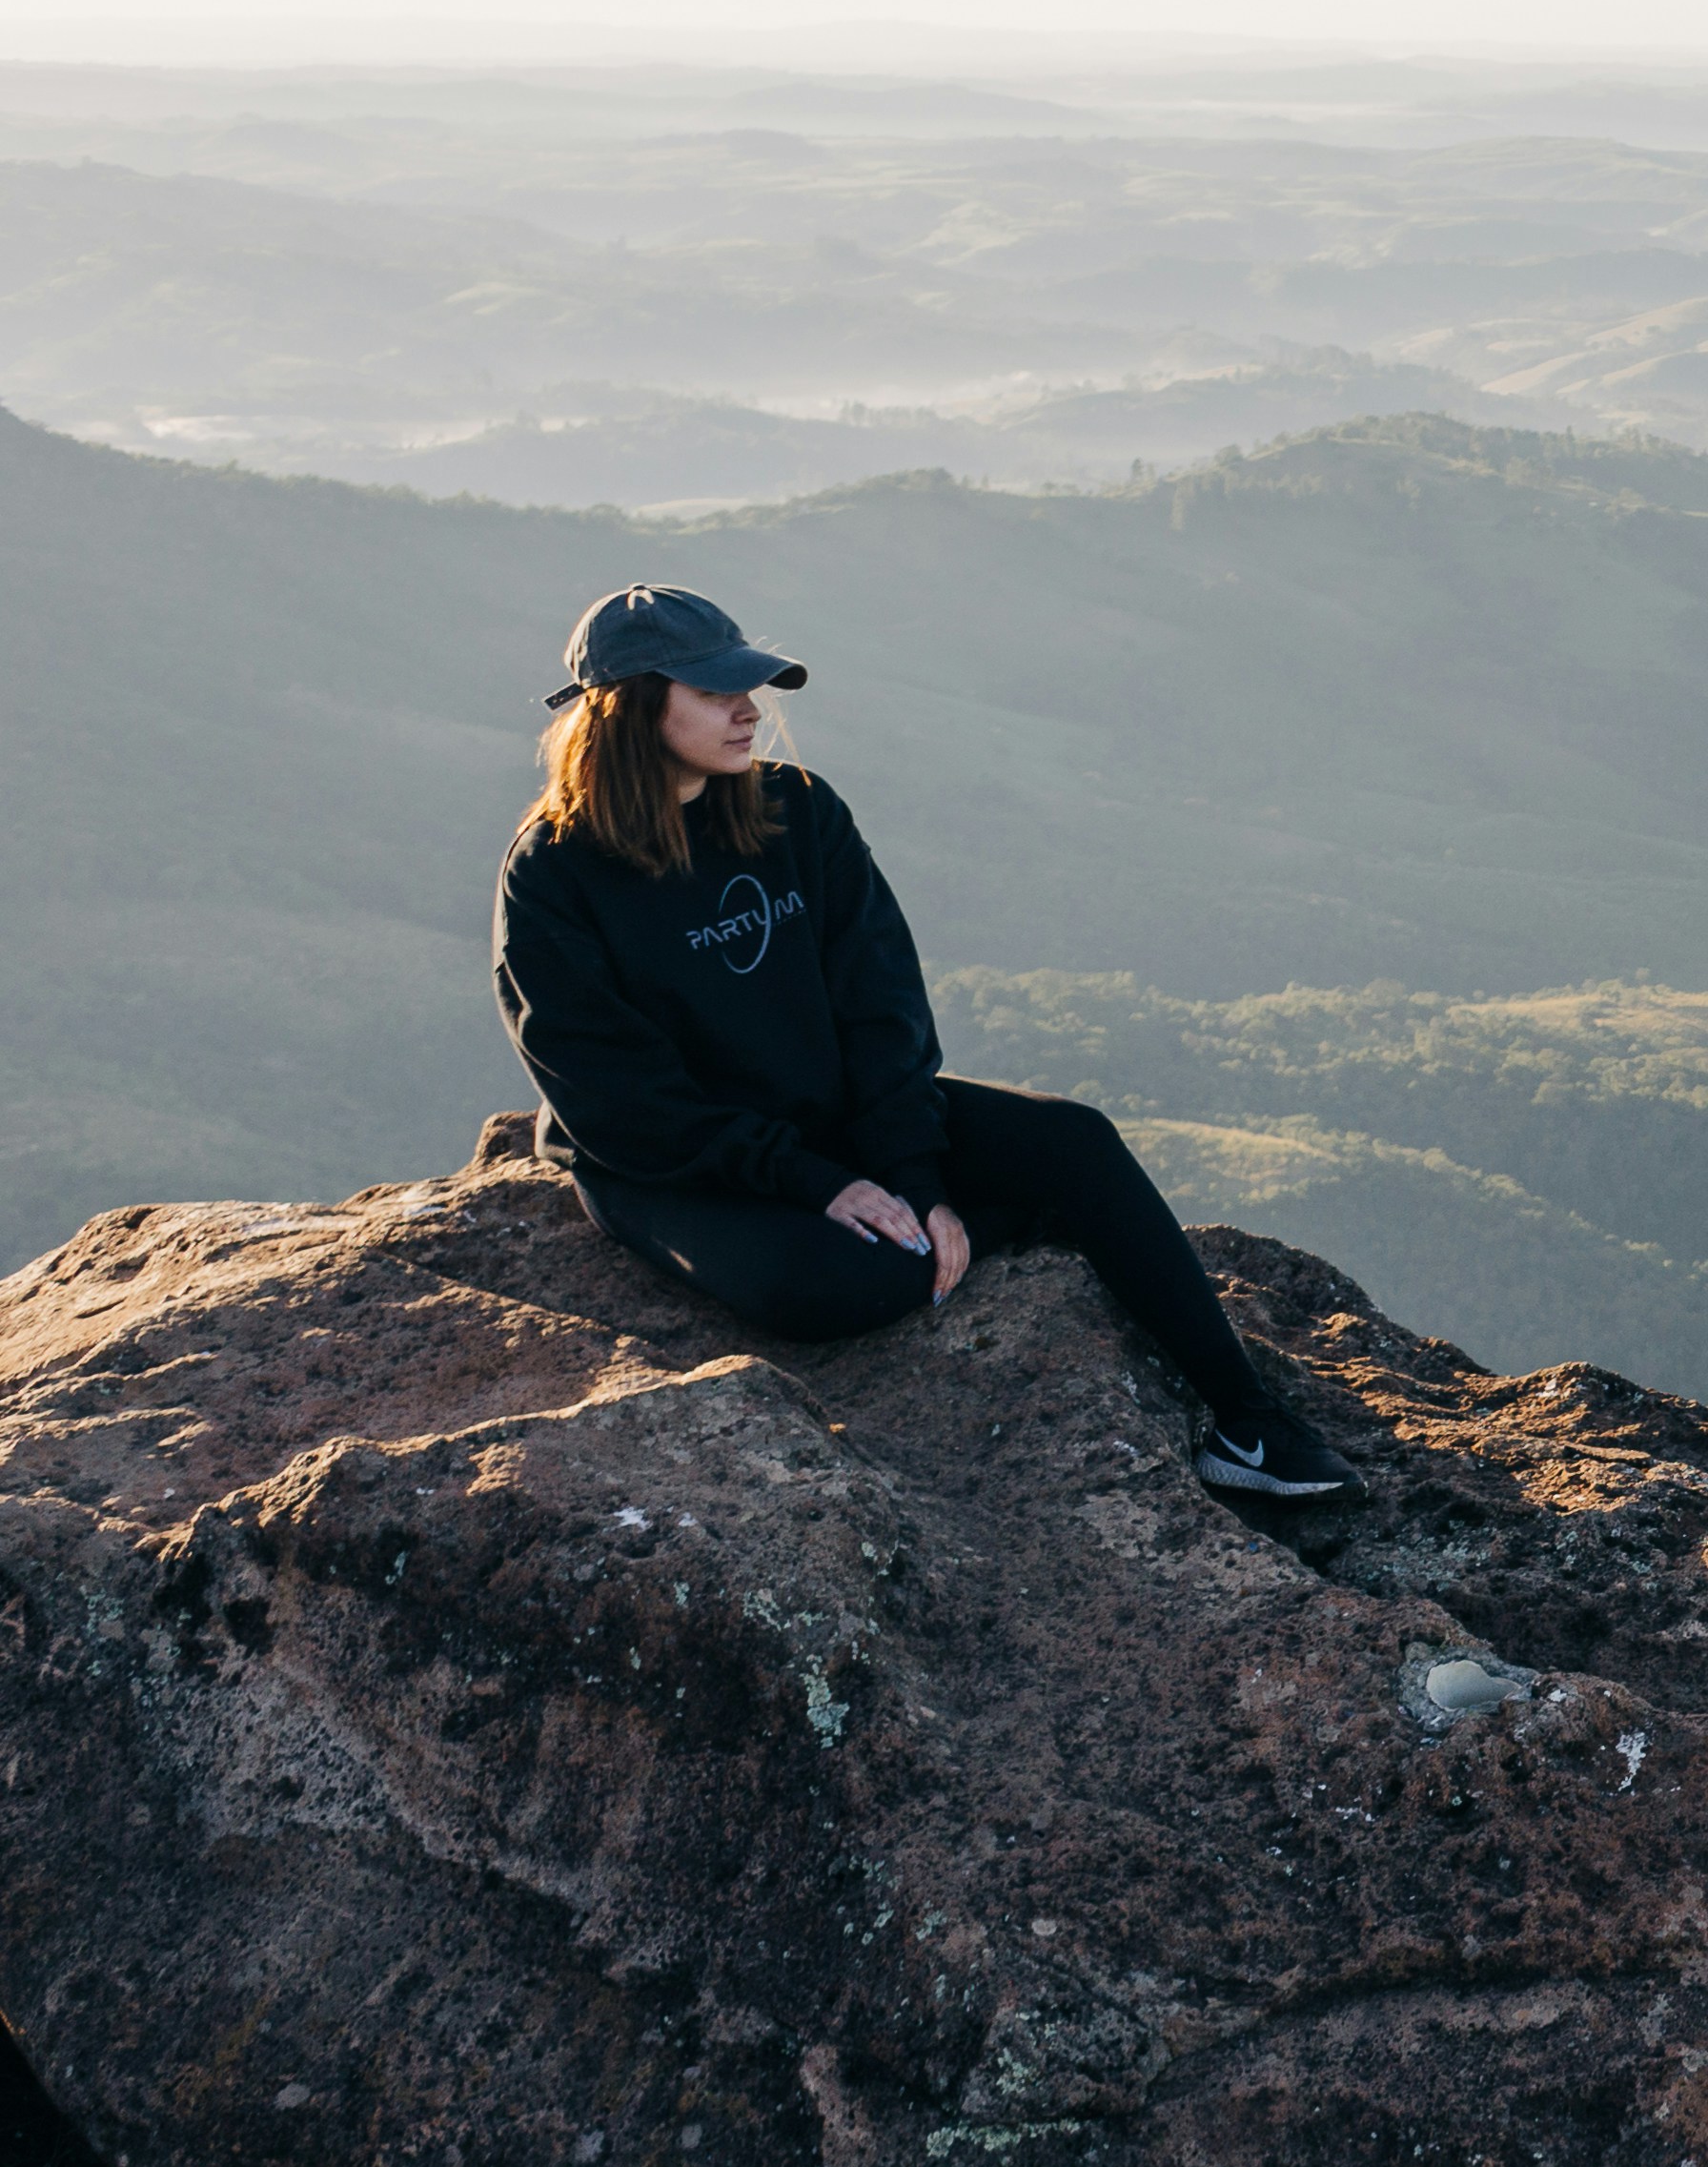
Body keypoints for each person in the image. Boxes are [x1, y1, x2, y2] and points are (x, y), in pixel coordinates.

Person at [489, 583, 1356, 1499]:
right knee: (820, 1289)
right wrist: (822, 1183)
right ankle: (1018, 1220)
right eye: (714, 693)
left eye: (748, 686)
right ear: (629, 709)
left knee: (1075, 1140)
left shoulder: (796, 808)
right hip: (676, 1165)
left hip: (825, 1109)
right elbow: (620, 1099)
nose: (748, 710)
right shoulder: (553, 874)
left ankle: (1253, 1429)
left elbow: (881, 1000)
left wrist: (915, 1176)